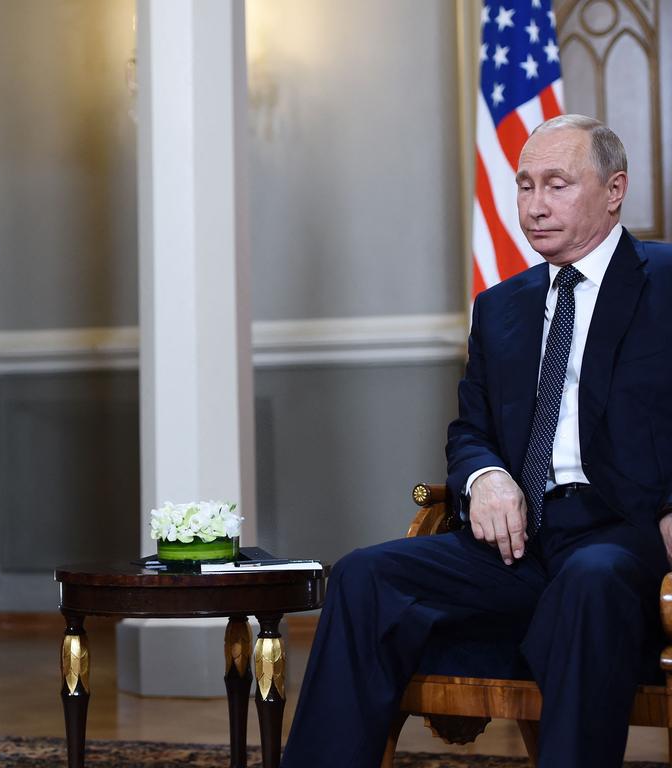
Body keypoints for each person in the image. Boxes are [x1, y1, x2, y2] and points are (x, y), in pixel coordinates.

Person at [281, 114, 672, 768]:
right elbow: (471, 431)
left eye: (557, 185)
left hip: (625, 536)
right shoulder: (502, 308)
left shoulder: (664, 282)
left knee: (590, 580)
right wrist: (485, 476)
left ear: (614, 191)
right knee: (361, 576)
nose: (535, 206)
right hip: (518, 541)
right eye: (524, 187)